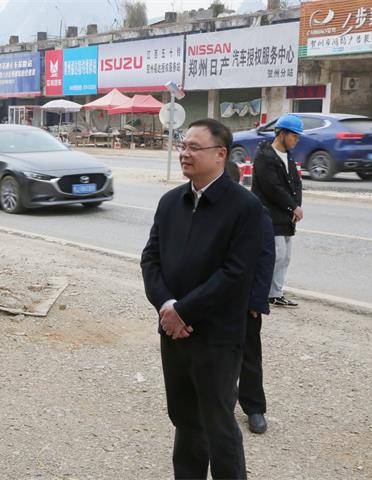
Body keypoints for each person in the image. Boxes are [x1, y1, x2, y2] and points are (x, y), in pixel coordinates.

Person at [141, 118, 264, 479]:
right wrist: (167, 307)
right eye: (183, 146)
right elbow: (150, 259)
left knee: (218, 423)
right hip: (173, 332)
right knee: (184, 419)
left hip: (216, 337)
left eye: (194, 147)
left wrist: (184, 311)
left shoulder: (244, 207)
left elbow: (236, 273)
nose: (184, 153)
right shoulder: (171, 202)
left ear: (220, 154)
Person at [225, 160, 276, 434]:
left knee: (249, 355)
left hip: (245, 301)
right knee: (213, 355)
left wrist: (257, 300)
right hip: (210, 298)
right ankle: (218, 402)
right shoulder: (204, 208)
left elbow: (265, 259)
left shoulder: (254, 211)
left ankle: (254, 407)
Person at [251, 114, 304, 308]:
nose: (297, 140)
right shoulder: (265, 156)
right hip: (268, 212)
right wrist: (293, 206)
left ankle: (275, 294)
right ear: (282, 134)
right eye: (294, 135)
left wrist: (297, 206)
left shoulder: (288, 156)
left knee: (286, 256)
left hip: (285, 213)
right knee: (276, 254)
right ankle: (260, 292)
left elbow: (296, 183)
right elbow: (272, 188)